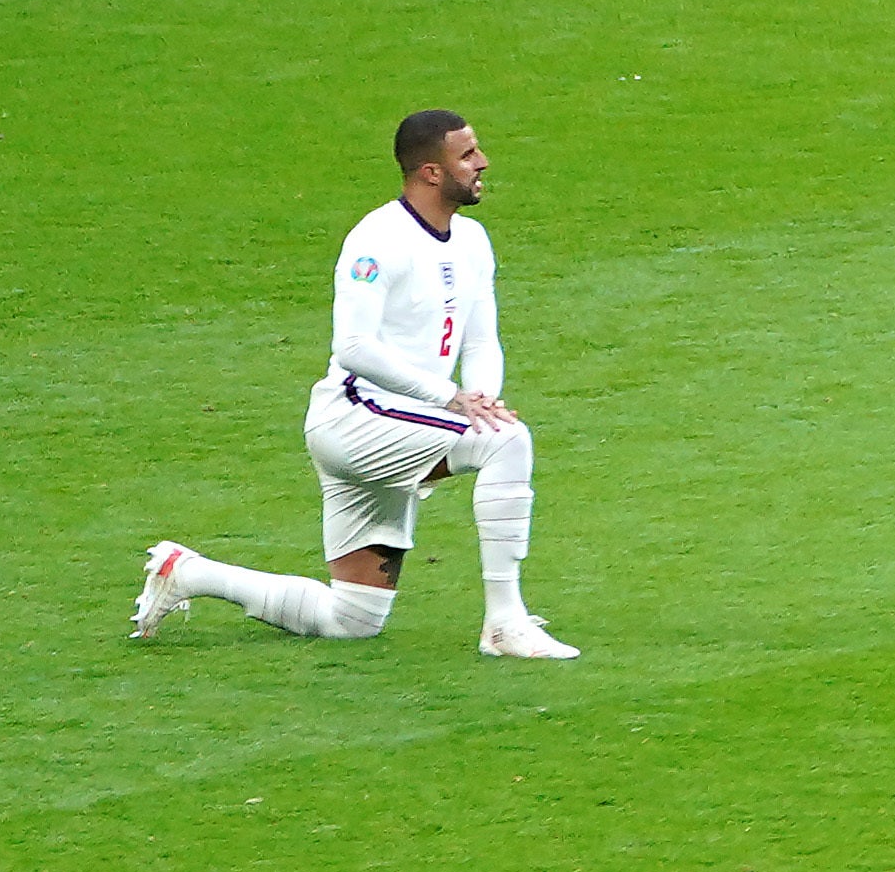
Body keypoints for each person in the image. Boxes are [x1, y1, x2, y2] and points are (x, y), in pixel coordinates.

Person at [133, 109, 575, 660]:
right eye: (467, 155)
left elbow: (481, 339)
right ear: (431, 172)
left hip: (402, 422)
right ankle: (505, 623)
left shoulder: (472, 241)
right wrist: (452, 400)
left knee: (353, 618)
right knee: (508, 442)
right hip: (355, 419)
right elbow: (355, 348)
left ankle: (189, 573)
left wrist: (481, 399)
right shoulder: (377, 241)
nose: (482, 162)